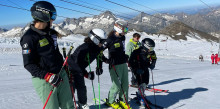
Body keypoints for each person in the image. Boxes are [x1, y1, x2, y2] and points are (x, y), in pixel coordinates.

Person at [20, 1, 74, 109]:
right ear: (43, 15)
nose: (53, 19)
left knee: (68, 106)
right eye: (52, 15)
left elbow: (55, 53)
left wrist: (65, 68)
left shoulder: (50, 33)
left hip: (60, 74)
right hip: (44, 79)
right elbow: (28, 64)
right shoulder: (29, 38)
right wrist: (47, 76)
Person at [67, 28, 108, 109]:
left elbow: (100, 56)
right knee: (71, 89)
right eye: (102, 41)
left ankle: (82, 104)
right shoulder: (84, 48)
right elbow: (75, 63)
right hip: (70, 70)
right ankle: (68, 106)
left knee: (81, 87)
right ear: (96, 39)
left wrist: (99, 67)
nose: (103, 43)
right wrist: (86, 74)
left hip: (80, 71)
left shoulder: (97, 48)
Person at [103, 20, 131, 109]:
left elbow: (122, 49)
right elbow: (99, 51)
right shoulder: (110, 39)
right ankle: (110, 101)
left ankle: (123, 100)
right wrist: (106, 60)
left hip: (123, 63)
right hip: (115, 65)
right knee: (117, 85)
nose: (125, 31)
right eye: (124, 29)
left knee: (125, 84)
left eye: (126, 29)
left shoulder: (122, 37)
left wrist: (125, 56)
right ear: (118, 28)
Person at [128, 38, 157, 106]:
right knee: (140, 83)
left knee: (145, 82)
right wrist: (135, 69)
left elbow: (154, 58)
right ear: (146, 46)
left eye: (152, 48)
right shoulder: (137, 52)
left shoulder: (151, 52)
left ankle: (140, 94)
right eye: (151, 48)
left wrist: (153, 64)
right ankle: (140, 96)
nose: (152, 50)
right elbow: (130, 62)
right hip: (138, 69)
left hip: (145, 68)